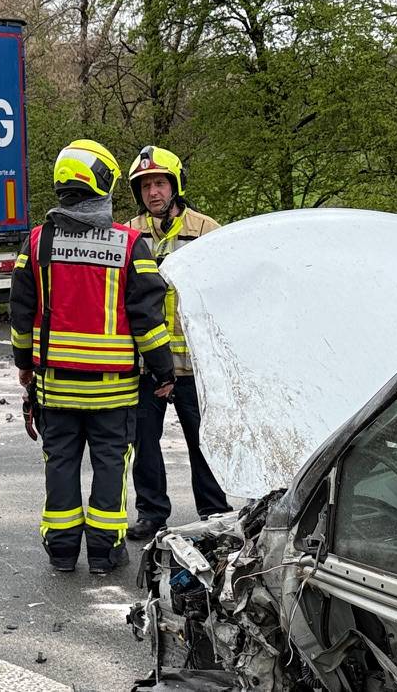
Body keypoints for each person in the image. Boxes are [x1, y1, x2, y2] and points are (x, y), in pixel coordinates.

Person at [8, 140, 174, 574]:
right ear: (103, 184)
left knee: (59, 465)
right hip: (113, 391)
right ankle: (104, 553)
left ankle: (62, 552)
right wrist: (163, 371)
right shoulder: (130, 245)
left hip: (56, 386)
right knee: (110, 468)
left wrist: (24, 368)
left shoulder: (37, 244)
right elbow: (149, 323)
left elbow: (20, 317)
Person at [121, 146, 231, 542]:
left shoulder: (206, 231)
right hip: (147, 364)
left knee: (204, 441)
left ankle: (214, 511)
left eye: (160, 183)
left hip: (194, 365)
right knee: (144, 444)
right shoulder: (127, 234)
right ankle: (152, 513)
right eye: (146, 185)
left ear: (175, 186)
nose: (153, 192)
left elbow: (224, 295)